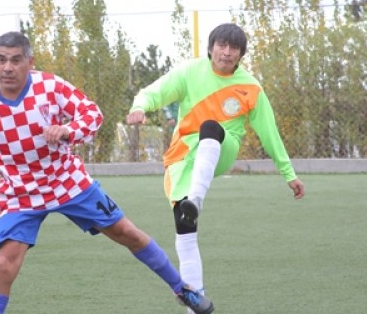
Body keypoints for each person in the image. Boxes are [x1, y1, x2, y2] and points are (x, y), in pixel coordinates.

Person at [0, 31, 214, 314]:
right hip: (20, 193)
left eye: (15, 60)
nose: (7, 67)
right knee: (4, 265)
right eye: (1, 60)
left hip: (68, 182)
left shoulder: (50, 87)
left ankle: (182, 288)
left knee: (128, 233)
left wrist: (67, 130)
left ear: (30, 62)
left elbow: (92, 114)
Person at [126, 23, 305, 308]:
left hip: (223, 148)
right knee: (184, 228)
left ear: (241, 54)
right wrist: (139, 107)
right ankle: (194, 300)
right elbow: (156, 91)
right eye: (221, 45)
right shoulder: (190, 72)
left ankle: (196, 198)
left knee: (211, 127)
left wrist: (289, 173)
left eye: (234, 48)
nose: (227, 52)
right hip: (184, 154)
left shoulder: (250, 87)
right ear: (211, 48)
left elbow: (269, 132)